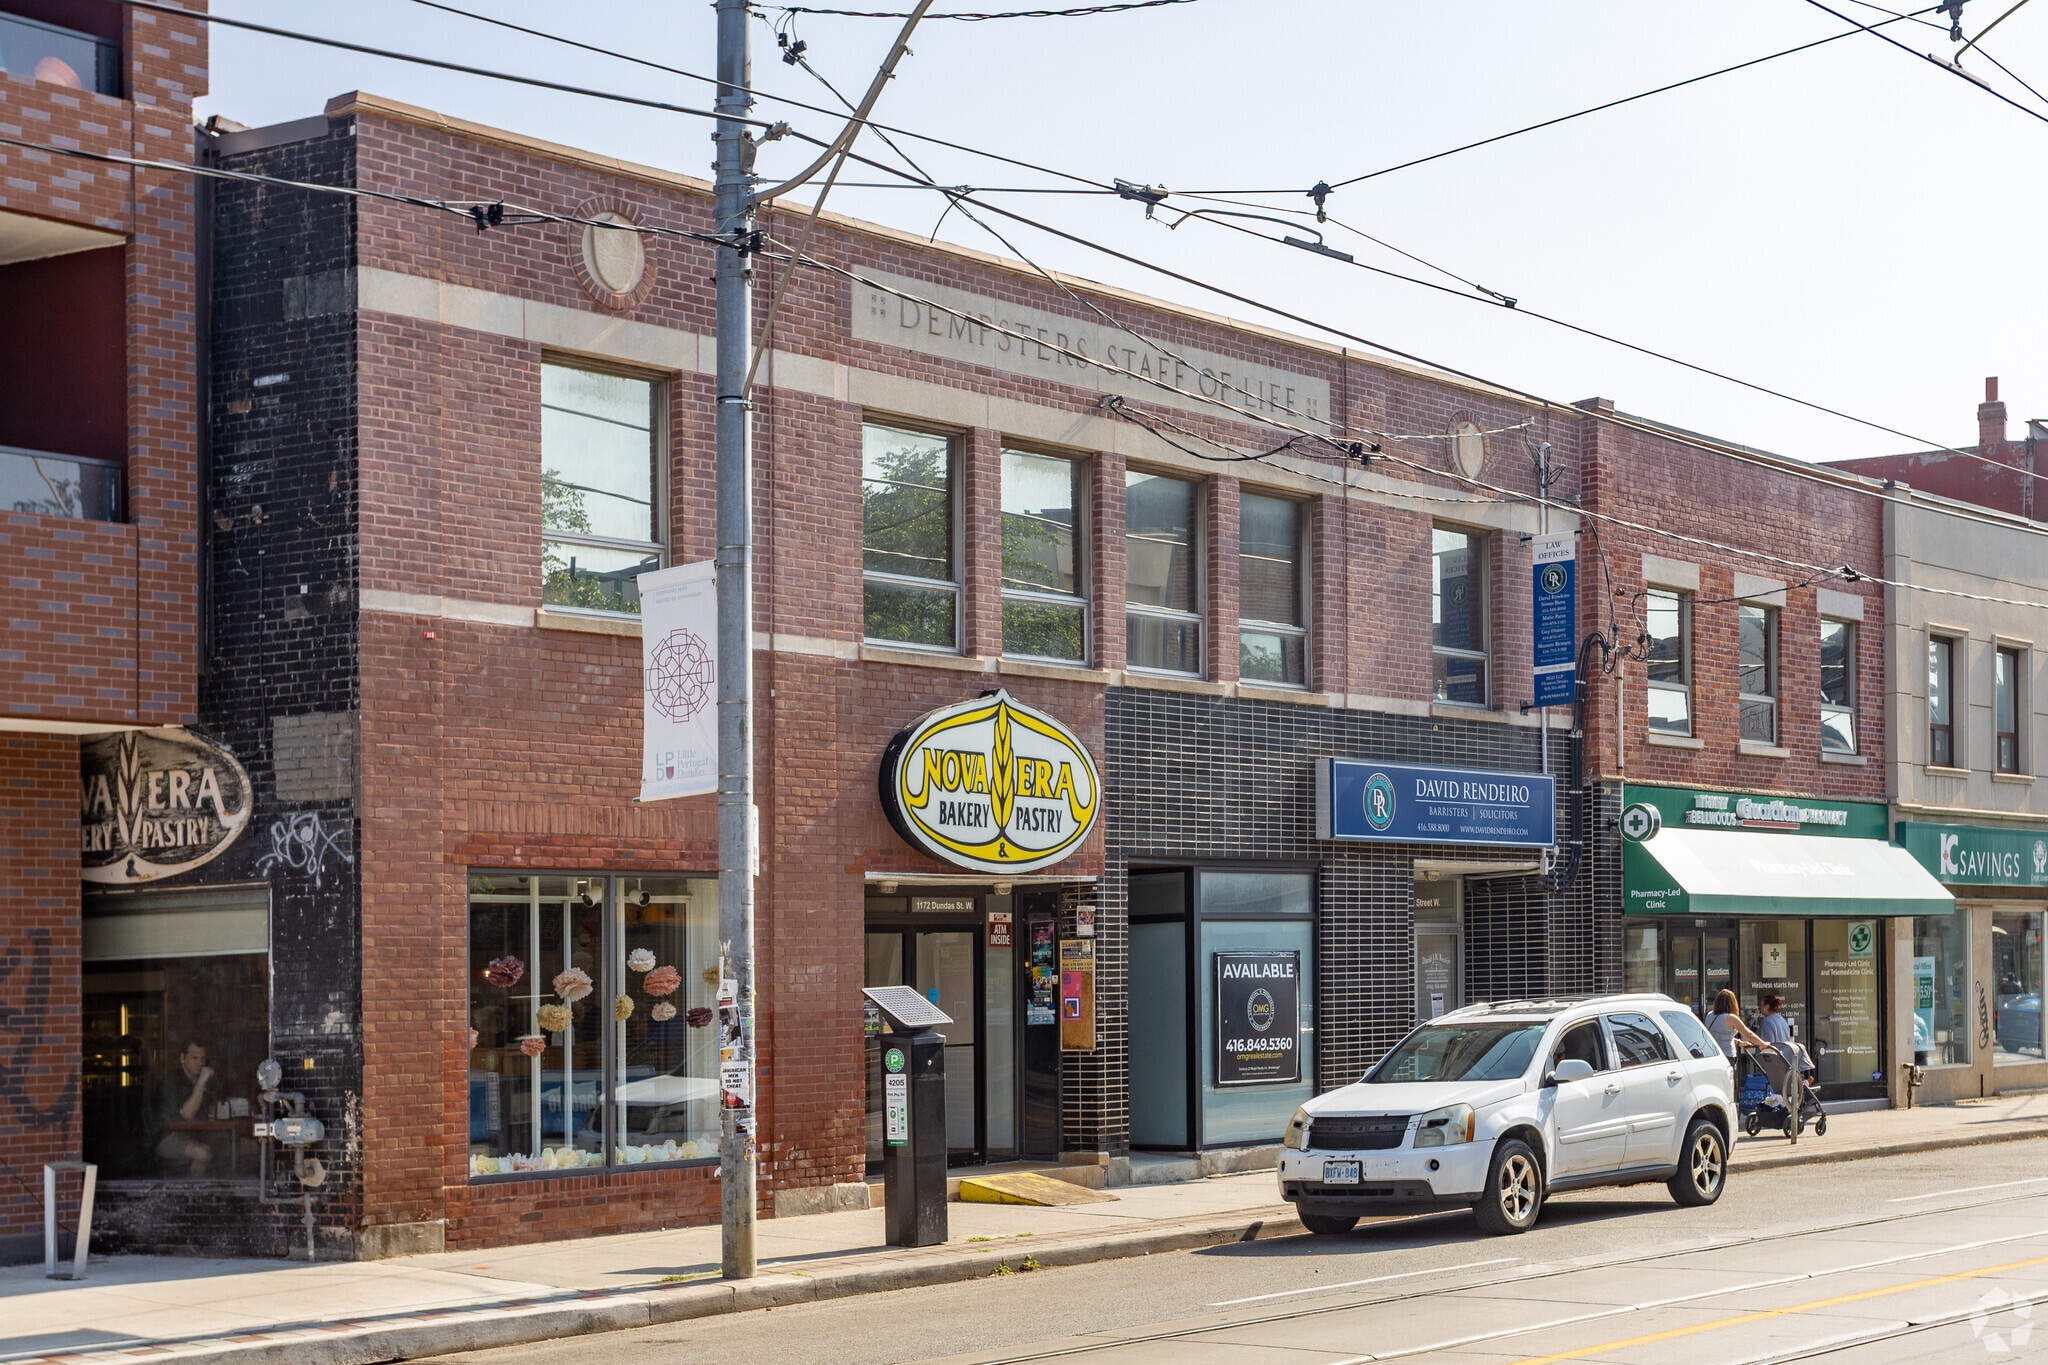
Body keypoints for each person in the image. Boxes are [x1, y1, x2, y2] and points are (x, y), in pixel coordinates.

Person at [154, 1040, 215, 1177]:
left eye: (202, 1059)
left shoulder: (199, 1080)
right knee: (202, 1153)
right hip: (167, 1137)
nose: (200, 1063)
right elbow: (187, 1114)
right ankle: (194, 1193)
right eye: (195, 1058)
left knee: (249, 1147)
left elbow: (210, 1112)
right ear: (182, 1058)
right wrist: (201, 1082)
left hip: (195, 1135)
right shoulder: (171, 1081)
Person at [1705, 989, 1768, 1058]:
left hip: (1712, 1056)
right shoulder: (1731, 1018)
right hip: (1727, 1056)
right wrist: (1763, 1044)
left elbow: (1720, 1037)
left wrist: (1739, 1043)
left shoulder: (1709, 1015)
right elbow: (1749, 1035)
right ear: (1732, 1003)